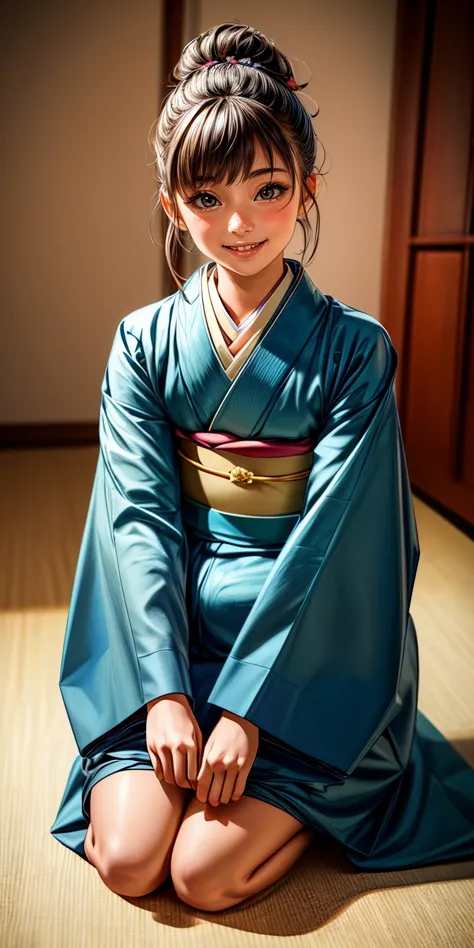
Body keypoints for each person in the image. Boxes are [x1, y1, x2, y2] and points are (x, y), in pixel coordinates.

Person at [50, 22, 474, 912]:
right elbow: (137, 521)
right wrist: (167, 695)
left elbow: (338, 544)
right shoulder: (142, 343)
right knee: (130, 860)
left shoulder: (356, 352)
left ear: (308, 187)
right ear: (171, 204)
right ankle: (178, 730)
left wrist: (249, 709)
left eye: (268, 189)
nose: (238, 224)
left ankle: (308, 786)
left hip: (307, 652)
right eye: (205, 197)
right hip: (168, 635)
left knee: (205, 876)